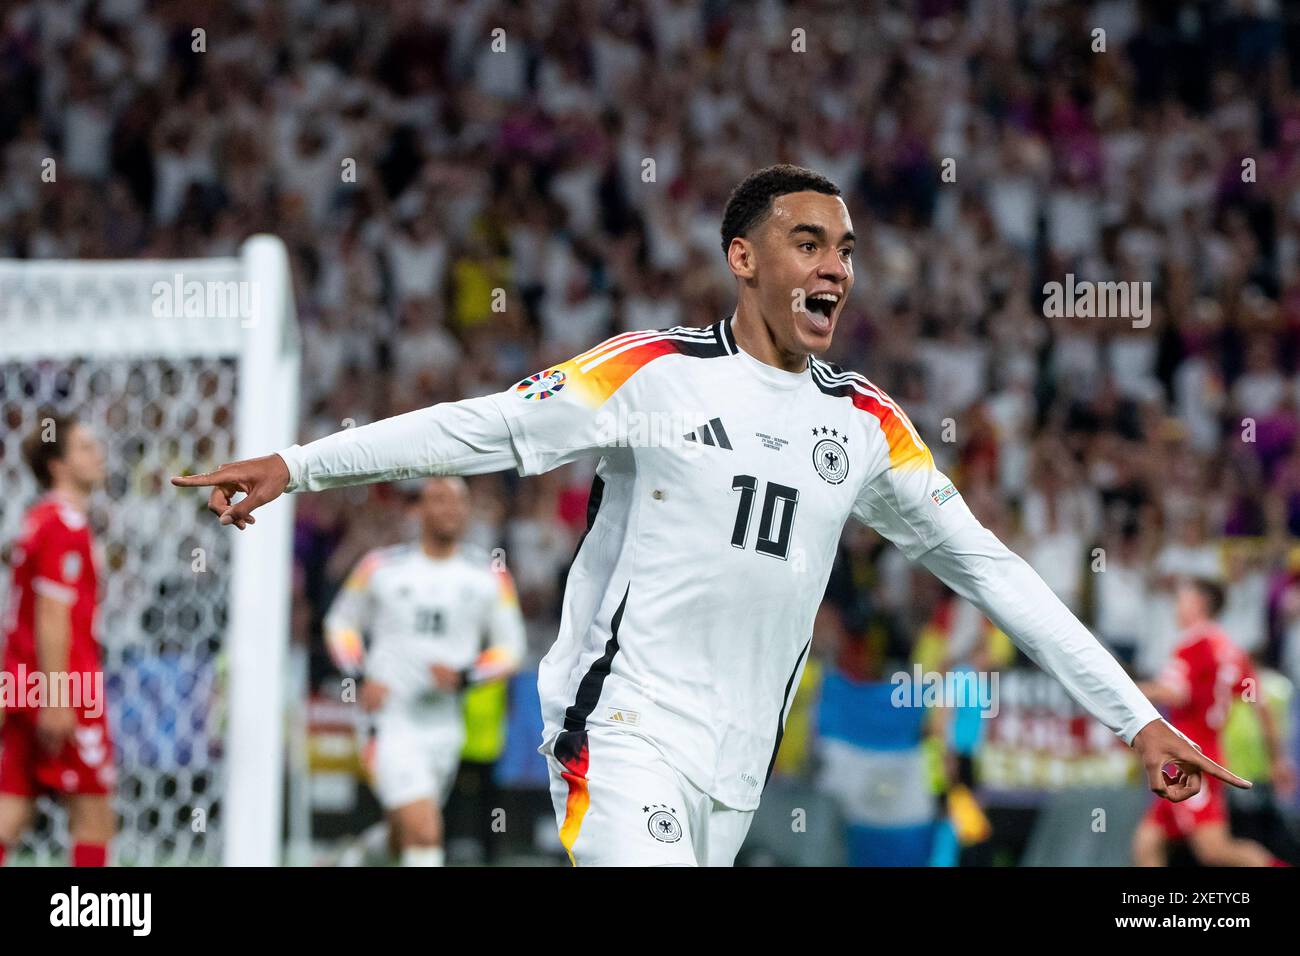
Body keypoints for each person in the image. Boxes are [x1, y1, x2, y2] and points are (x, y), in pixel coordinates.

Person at [175, 164, 1247, 867]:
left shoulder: (867, 422)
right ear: (744, 259)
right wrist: (299, 463)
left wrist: (1134, 716)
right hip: (622, 723)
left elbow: (991, 568)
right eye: (809, 242)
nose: (836, 265)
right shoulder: (651, 372)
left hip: (742, 756)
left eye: (846, 248)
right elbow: (486, 427)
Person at [325, 478, 525, 867]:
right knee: (426, 830)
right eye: (438, 500)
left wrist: (468, 675)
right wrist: (360, 674)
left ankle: (360, 856)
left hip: (445, 725)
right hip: (388, 718)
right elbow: (340, 623)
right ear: (417, 510)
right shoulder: (380, 566)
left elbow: (511, 646)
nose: (449, 509)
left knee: (407, 833)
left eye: (457, 502)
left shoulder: (489, 576)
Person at [0, 414, 116, 866]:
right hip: (65, 684)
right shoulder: (63, 524)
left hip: (24, 680)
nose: (99, 454)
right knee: (94, 817)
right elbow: (52, 615)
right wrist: (57, 696)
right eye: (86, 448)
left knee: (12, 808)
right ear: (59, 466)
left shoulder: (37, 520)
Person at [1131, 577, 1293, 867]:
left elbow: (1174, 692)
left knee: (1214, 850)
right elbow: (1261, 705)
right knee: (1147, 842)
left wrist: (1121, 690)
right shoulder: (1231, 651)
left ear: (1200, 604)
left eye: (1182, 599)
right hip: (1204, 753)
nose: (1176, 607)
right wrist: (1277, 759)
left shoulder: (1193, 647)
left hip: (1190, 760)